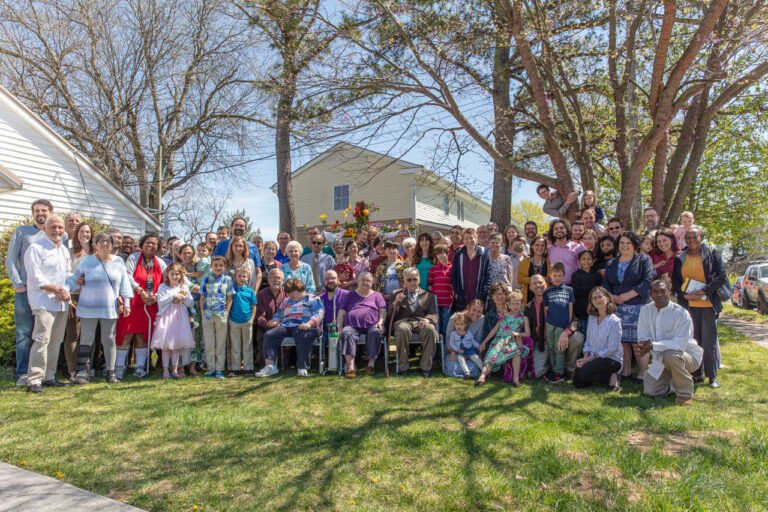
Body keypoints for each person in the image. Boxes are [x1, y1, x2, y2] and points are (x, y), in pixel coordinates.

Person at [66, 231, 133, 385]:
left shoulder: (118, 262)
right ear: (95, 244)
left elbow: (125, 284)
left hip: (109, 307)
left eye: (108, 241)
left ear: (112, 244)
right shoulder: (87, 261)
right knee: (86, 338)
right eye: (100, 241)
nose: (104, 244)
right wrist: (66, 288)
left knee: (109, 339)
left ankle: (111, 373)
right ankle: (82, 372)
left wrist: (127, 303)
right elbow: (75, 279)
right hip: (88, 307)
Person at [671, 227, 726, 389]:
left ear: (701, 237)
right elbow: (676, 280)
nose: (692, 240)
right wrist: (685, 295)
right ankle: (696, 373)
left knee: (708, 340)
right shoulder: (680, 257)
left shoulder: (711, 254)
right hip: (688, 304)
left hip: (707, 303)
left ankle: (712, 376)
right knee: (693, 340)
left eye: (695, 236)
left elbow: (721, 276)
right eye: (688, 237)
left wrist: (704, 291)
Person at [6, 199, 53, 386]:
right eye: (37, 210)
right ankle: (23, 374)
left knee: (44, 335)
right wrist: (18, 284)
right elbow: (10, 259)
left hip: (48, 293)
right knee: (25, 334)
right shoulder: (22, 232)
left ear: (51, 211)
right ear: (33, 213)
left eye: (43, 210)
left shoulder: (56, 234)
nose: (40, 213)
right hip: (25, 291)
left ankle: (43, 373)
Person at [23, 215, 71, 392]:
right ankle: (34, 379)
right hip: (43, 302)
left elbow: (68, 276)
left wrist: (65, 290)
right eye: (53, 227)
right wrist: (57, 290)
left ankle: (49, 377)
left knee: (56, 341)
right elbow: (36, 278)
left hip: (61, 303)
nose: (57, 231)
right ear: (45, 228)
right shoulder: (36, 249)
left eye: (60, 227)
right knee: (41, 340)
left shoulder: (64, 251)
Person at [635, 280, 703, 405]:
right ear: (651, 295)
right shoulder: (646, 311)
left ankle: (684, 394)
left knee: (670, 355)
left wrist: (653, 345)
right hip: (660, 358)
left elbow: (680, 344)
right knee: (650, 391)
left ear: (670, 293)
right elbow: (643, 336)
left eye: (663, 291)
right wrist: (642, 347)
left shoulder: (681, 313)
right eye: (655, 292)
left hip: (687, 356)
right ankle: (674, 384)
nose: (659, 295)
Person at [604, 232, 653, 383]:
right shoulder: (611, 263)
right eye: (622, 243)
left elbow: (647, 281)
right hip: (617, 307)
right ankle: (626, 371)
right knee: (622, 341)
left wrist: (626, 296)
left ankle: (642, 373)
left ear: (634, 245)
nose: (625, 246)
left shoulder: (643, 260)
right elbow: (606, 284)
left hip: (637, 306)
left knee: (637, 341)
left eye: (628, 243)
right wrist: (612, 297)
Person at [116, 234, 167, 379]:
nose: (151, 246)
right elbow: (127, 276)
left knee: (143, 336)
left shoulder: (160, 263)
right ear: (142, 244)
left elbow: (165, 282)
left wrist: (156, 296)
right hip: (133, 302)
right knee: (126, 334)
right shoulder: (133, 258)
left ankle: (140, 367)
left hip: (150, 304)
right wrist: (140, 291)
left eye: (154, 244)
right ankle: (119, 367)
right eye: (148, 242)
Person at [257, 278, 324, 378]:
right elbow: (279, 315)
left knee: (304, 336)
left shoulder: (313, 299)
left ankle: (302, 368)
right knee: (269, 334)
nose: (291, 296)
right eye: (289, 293)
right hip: (287, 326)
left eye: (293, 293)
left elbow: (319, 313)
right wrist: (275, 321)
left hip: (306, 326)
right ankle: (270, 366)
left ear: (300, 289)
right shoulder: (286, 301)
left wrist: (309, 324)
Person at [524, 274, 584, 379]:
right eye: (534, 283)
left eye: (540, 282)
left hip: (561, 337)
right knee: (533, 374)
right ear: (530, 287)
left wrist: (566, 332)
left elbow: (574, 320)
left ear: (546, 284)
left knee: (578, 337)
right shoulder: (528, 308)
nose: (538, 285)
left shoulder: (559, 299)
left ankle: (569, 368)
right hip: (544, 342)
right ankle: (552, 365)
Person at [475, 288, 530, 387]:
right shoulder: (503, 316)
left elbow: (528, 333)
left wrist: (518, 334)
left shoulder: (523, 318)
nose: (515, 306)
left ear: (522, 304)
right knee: (491, 356)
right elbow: (494, 330)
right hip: (499, 340)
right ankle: (482, 376)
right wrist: (485, 341)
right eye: (513, 303)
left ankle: (516, 379)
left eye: (518, 303)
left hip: (512, 340)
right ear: (509, 304)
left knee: (516, 353)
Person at [390, 268, 439, 377]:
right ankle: (403, 367)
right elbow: (390, 315)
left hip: (420, 321)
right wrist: (396, 302)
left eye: (415, 279)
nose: (412, 282)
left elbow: (434, 314)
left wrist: (427, 319)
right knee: (402, 330)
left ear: (419, 280)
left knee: (430, 330)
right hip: (403, 321)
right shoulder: (396, 294)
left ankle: (425, 367)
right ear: (404, 281)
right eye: (409, 280)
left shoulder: (428, 295)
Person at [151, 263, 196, 379]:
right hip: (167, 317)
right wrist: (173, 298)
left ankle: (175, 369)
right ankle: (165, 370)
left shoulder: (183, 287)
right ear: (167, 275)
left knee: (177, 344)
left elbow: (191, 303)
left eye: (177, 274)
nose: (175, 276)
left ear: (181, 275)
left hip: (180, 317)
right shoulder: (163, 287)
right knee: (166, 345)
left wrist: (183, 298)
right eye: (172, 274)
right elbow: (161, 302)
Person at [337, 272, 387, 377]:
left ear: (372, 283)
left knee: (376, 332)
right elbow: (341, 312)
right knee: (346, 333)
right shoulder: (350, 295)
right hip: (352, 325)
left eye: (368, 280)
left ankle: (371, 365)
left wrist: (380, 323)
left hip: (372, 325)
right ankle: (351, 367)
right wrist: (340, 328)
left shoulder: (377, 295)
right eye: (362, 280)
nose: (365, 282)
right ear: (358, 282)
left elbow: (383, 311)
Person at [573, 287, 622, 390]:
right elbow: (588, 342)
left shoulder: (615, 321)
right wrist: (584, 358)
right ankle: (609, 377)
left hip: (611, 360)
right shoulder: (592, 318)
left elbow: (611, 348)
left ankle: (614, 377)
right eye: (593, 298)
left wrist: (589, 359)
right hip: (592, 358)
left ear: (608, 298)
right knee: (577, 382)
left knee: (586, 372)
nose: (597, 300)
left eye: (599, 297)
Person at [62, 221, 92, 380]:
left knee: (89, 335)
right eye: (82, 232)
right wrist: (75, 280)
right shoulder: (70, 252)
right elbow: (64, 273)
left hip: (92, 298)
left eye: (87, 232)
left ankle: (87, 369)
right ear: (76, 234)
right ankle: (73, 370)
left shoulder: (95, 253)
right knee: (73, 334)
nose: (85, 235)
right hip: (74, 295)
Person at [199, 255, 234, 379]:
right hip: (208, 314)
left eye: (221, 265)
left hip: (221, 314)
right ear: (211, 266)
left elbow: (230, 297)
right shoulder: (206, 279)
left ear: (224, 267)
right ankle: (211, 368)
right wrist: (203, 310)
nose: (218, 268)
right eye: (216, 265)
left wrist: (226, 312)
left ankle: (219, 369)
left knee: (220, 343)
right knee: (209, 342)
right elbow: (202, 296)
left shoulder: (227, 280)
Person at [542, 262, 575, 384]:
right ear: (550, 275)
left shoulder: (569, 290)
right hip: (550, 323)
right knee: (551, 348)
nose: (557, 278)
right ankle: (553, 369)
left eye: (560, 275)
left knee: (559, 348)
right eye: (555, 275)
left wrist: (568, 323)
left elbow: (570, 308)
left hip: (562, 324)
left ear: (564, 275)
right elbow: (546, 309)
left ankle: (559, 372)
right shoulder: (547, 291)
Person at [180, 243, 207, 374]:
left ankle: (194, 365)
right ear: (180, 254)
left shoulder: (199, 267)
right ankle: (181, 366)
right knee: (186, 335)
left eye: (189, 253)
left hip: (199, 305)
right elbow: (189, 286)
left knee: (198, 336)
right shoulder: (179, 269)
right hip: (184, 306)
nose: (187, 255)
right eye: (184, 253)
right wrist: (205, 290)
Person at [214, 218, 262, 290]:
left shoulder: (253, 247)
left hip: (246, 293)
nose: (239, 228)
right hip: (226, 292)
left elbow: (258, 272)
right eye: (236, 225)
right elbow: (215, 268)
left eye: (241, 226)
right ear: (231, 228)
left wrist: (254, 292)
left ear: (245, 229)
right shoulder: (221, 245)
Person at [228, 265, 258, 376]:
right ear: (235, 277)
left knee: (247, 346)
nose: (241, 278)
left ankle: (248, 368)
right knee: (235, 346)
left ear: (248, 277)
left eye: (244, 276)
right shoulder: (232, 290)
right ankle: (235, 368)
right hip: (234, 321)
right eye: (239, 276)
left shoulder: (250, 292)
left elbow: (254, 306)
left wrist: (252, 319)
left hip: (246, 321)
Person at [450, 228, 491, 311]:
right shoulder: (459, 254)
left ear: (476, 238)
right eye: (466, 238)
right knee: (463, 321)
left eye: (471, 238)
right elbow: (453, 274)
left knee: (477, 319)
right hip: (462, 296)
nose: (469, 240)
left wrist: (483, 293)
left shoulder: (484, 253)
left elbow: (488, 274)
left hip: (478, 295)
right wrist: (457, 292)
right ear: (463, 240)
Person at [443, 300, 485, 377]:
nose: (476, 314)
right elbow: (448, 339)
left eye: (479, 311)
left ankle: (478, 372)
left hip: (470, 352)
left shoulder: (481, 319)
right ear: (468, 307)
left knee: (474, 367)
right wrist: (453, 352)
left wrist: (479, 353)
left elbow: (477, 339)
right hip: (454, 351)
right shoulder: (454, 319)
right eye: (474, 310)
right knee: (455, 366)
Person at [255, 269, 286, 369]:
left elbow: (292, 314)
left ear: (283, 280)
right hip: (266, 326)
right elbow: (259, 315)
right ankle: (265, 363)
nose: (276, 280)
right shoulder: (261, 294)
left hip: (283, 327)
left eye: (278, 278)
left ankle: (282, 362)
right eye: (273, 277)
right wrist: (267, 323)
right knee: (263, 334)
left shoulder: (288, 294)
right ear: (268, 280)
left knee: (284, 363)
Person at [570, 250, 603, 335]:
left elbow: (600, 290)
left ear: (593, 261)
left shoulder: (597, 275)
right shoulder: (576, 275)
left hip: (595, 309)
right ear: (579, 261)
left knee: (595, 333)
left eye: (589, 259)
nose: (586, 261)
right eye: (583, 259)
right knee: (583, 332)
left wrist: (584, 289)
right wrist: (592, 289)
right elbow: (576, 291)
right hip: (580, 310)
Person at [547, 219, 584, 285]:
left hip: (573, 287)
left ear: (567, 230)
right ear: (552, 232)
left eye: (561, 228)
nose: (559, 230)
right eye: (556, 228)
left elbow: (584, 267)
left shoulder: (578, 248)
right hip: (553, 287)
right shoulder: (549, 250)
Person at [427, 245, 453, 336]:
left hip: (448, 301)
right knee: (437, 324)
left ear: (447, 254)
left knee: (446, 324)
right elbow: (430, 285)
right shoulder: (433, 269)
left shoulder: (452, 268)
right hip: (436, 301)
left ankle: (445, 345)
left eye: (442, 253)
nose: (440, 256)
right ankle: (437, 346)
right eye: (438, 254)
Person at [448, 312, 483, 379]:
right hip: (461, 351)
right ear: (454, 325)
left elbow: (473, 342)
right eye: (457, 324)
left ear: (466, 325)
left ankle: (483, 370)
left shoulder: (468, 333)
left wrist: (479, 346)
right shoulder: (453, 334)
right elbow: (451, 343)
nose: (459, 326)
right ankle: (467, 373)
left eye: (462, 324)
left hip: (470, 351)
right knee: (461, 360)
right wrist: (457, 349)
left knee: (476, 358)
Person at [518, 235, 549, 303]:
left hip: (545, 297)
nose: (540, 248)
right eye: (537, 245)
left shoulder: (548, 261)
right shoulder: (525, 261)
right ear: (532, 246)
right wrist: (533, 280)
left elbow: (549, 278)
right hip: (529, 297)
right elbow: (519, 279)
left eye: (542, 245)